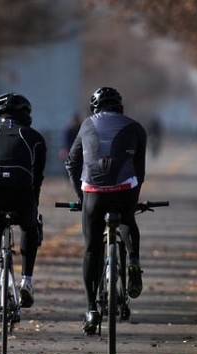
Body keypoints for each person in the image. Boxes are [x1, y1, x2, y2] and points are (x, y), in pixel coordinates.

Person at [65, 87, 147, 335]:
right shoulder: (135, 127)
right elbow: (139, 170)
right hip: (125, 190)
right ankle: (133, 259)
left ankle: (91, 309)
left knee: (91, 249)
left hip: (94, 192)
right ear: (120, 108)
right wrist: (133, 197)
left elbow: (72, 163)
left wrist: (82, 197)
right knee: (128, 219)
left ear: (94, 109)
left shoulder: (86, 125)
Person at [0, 92, 47, 334]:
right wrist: (33, 208)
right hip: (22, 193)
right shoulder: (35, 138)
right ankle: (26, 281)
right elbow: (37, 179)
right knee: (29, 227)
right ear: (27, 115)